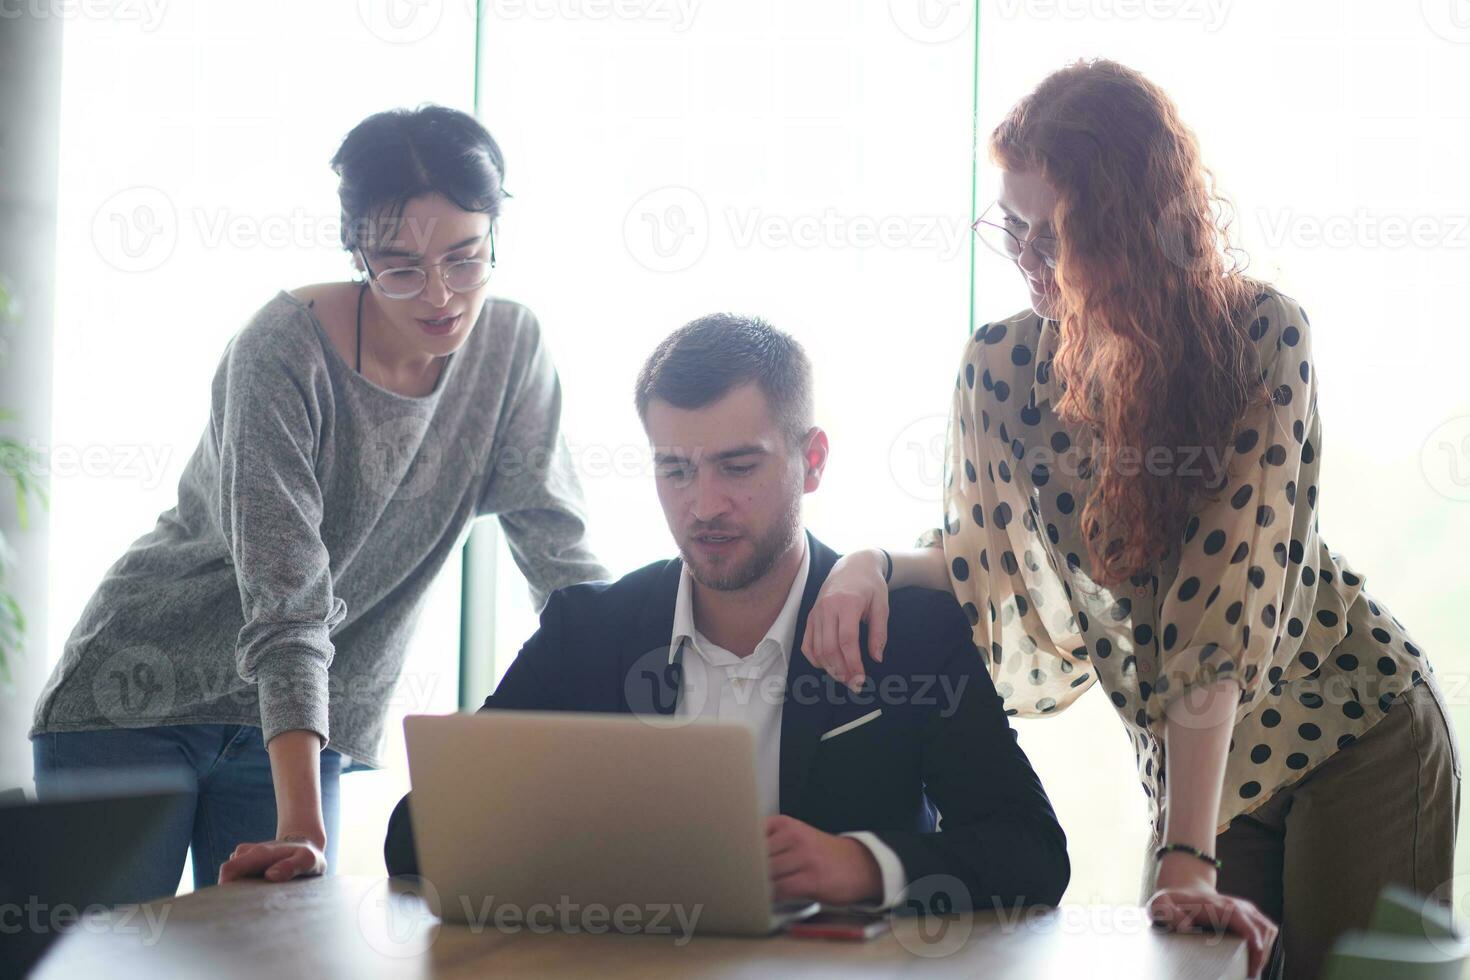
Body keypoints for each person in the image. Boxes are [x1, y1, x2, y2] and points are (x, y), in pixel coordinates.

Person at [799, 59, 1458, 980]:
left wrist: (1181, 854)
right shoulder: (999, 370)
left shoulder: (1262, 338)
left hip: (1354, 730)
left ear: (1125, 232)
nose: (1026, 261)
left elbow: (1220, 603)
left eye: (1052, 236)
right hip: (1199, 766)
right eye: (1011, 229)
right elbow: (989, 562)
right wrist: (865, 560)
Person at [30, 105, 609, 901]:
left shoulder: (512, 352)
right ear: (357, 253)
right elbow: (287, 598)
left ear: (495, 235)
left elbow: (561, 556)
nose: (440, 294)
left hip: (305, 727)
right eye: (400, 266)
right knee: (106, 967)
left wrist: (647, 708)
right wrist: (302, 822)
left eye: (466, 260)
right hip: (137, 705)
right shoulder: (282, 349)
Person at [384, 314, 1070, 911]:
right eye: (675, 470)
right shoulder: (586, 632)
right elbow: (416, 836)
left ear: (813, 461)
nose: (704, 505)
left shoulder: (909, 634)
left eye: (737, 467)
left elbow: (1032, 852)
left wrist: (862, 866)